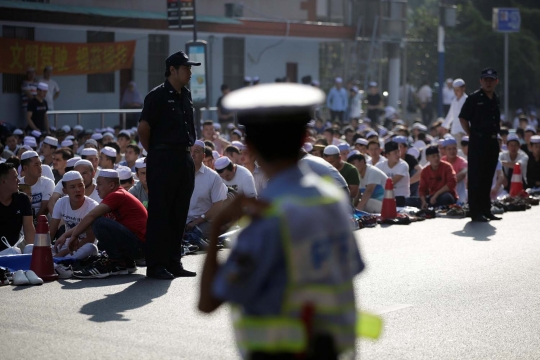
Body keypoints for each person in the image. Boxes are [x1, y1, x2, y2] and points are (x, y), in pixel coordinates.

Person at [198, 83, 364, 359]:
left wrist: (216, 228)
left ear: (249, 147)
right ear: (304, 138)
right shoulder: (331, 199)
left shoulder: (268, 215)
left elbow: (208, 302)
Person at [138, 50, 199, 279]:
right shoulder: (157, 96)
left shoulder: (186, 95)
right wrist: (154, 153)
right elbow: (144, 129)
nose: (190, 72)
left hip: (184, 158)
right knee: (160, 213)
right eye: (186, 68)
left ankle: (174, 262)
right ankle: (156, 265)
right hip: (163, 158)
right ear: (172, 70)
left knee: (179, 213)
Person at [459, 68, 502, 222]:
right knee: (476, 176)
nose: (488, 82)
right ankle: (475, 211)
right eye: (485, 79)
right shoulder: (473, 98)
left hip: (491, 141)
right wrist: (471, 134)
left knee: (487, 176)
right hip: (478, 141)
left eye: (491, 80)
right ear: (481, 81)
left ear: (496, 81)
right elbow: (463, 118)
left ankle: (486, 209)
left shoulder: (495, 98)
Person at [49, 171, 99, 259]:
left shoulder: (92, 206)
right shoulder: (61, 202)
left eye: (80, 185)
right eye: (72, 187)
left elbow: (90, 239)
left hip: (82, 247)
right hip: (66, 245)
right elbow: (51, 233)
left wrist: (62, 254)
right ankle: (59, 262)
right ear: (65, 190)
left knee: (91, 247)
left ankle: (61, 262)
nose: (78, 190)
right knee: (30, 248)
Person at [186, 140, 227, 239]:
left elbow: (218, 205)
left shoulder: (213, 177)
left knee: (197, 235)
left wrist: (197, 221)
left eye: (196, 151)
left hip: (203, 222)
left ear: (203, 156)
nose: (192, 154)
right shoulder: (178, 175)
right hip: (182, 222)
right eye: (190, 151)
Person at [0, 163, 35, 251]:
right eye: (15, 177)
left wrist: (30, 252)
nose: (19, 180)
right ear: (3, 181)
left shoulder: (22, 199)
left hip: (16, 249)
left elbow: (29, 228)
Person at [19, 151, 55, 218]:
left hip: (43, 221)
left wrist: (33, 222)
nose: (40, 168)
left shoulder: (48, 183)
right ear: (25, 168)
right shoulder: (18, 184)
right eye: (36, 165)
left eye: (40, 164)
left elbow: (45, 208)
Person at [376, 141, 410, 207]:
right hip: (384, 198)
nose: (398, 155)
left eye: (398, 151)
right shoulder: (379, 166)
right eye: (395, 153)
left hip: (401, 198)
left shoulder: (403, 165)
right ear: (387, 155)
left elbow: (391, 183)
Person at [441, 137, 468, 202]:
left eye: (454, 148)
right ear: (444, 151)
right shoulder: (442, 161)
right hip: (444, 191)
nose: (452, 151)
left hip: (459, 191)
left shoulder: (462, 162)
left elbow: (462, 174)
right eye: (449, 149)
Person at [442, 79, 467, 145]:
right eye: (454, 90)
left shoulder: (467, 100)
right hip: (454, 131)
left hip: (463, 131)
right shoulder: (454, 100)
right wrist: (445, 125)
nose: (456, 92)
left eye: (457, 90)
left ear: (463, 88)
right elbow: (451, 114)